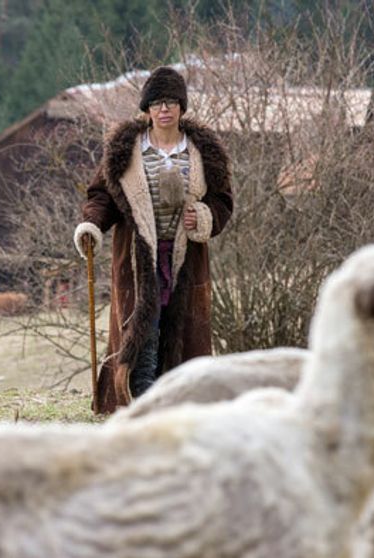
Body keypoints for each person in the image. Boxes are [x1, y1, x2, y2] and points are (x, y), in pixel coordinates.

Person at [74, 66, 233, 414]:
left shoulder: (203, 152)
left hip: (186, 258)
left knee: (181, 330)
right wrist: (91, 227)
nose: (165, 110)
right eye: (158, 103)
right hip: (136, 257)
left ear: (181, 107)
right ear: (147, 109)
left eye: (172, 102)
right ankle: (139, 404)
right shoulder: (126, 150)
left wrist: (204, 217)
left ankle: (178, 406)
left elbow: (222, 201)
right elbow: (101, 196)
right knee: (142, 329)